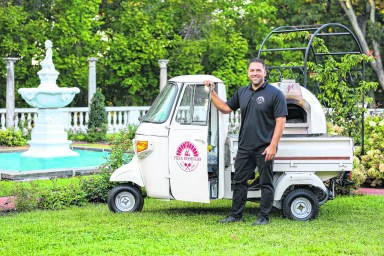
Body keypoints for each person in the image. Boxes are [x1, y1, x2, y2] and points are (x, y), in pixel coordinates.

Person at [204, 57, 287, 225]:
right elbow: (226, 108)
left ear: (264, 72)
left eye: (258, 70)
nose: (255, 73)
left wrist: (273, 145)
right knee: (239, 181)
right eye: (252, 70)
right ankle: (235, 215)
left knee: (265, 182)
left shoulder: (275, 94)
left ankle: (263, 217)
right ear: (248, 73)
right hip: (244, 147)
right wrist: (211, 92)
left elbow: (281, 121)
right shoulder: (243, 92)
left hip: (265, 147)